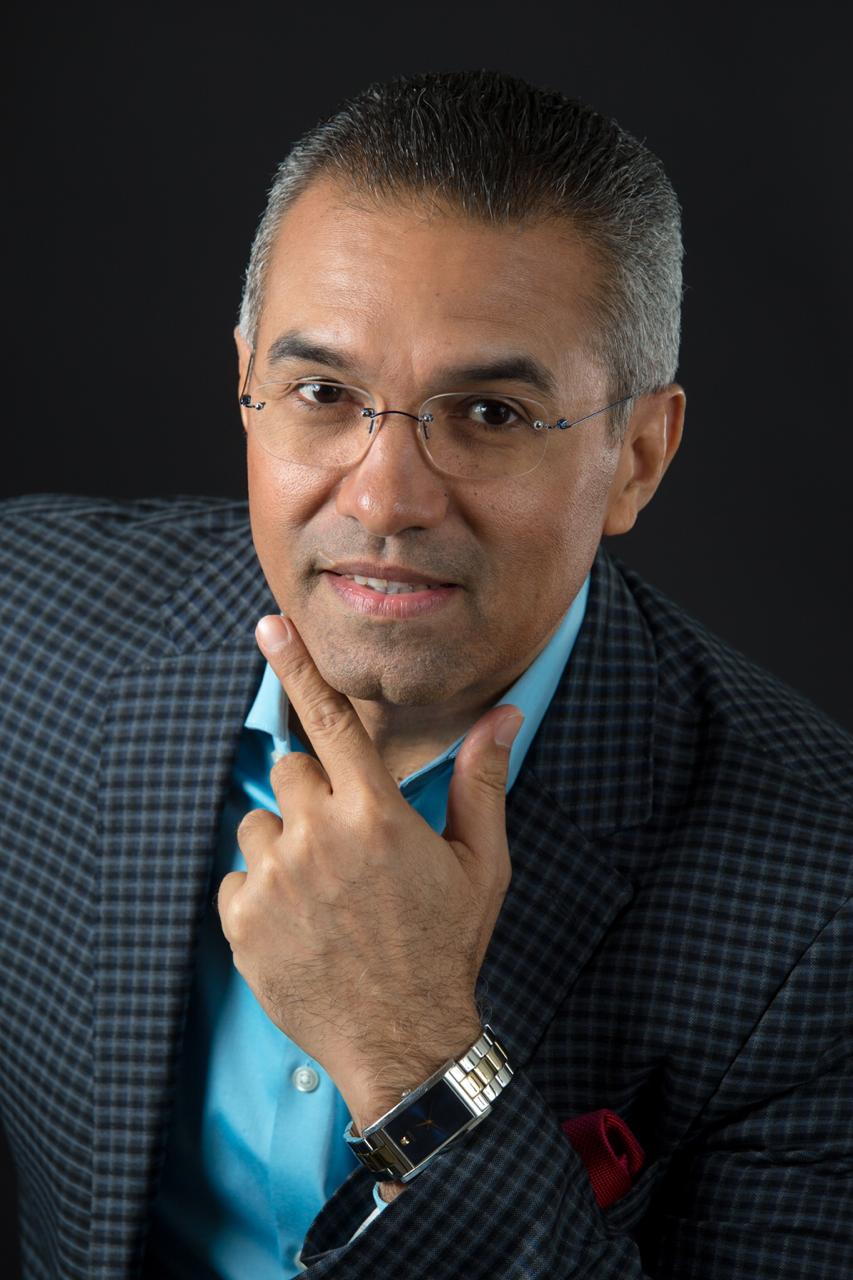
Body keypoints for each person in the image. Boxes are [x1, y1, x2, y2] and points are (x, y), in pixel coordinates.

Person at [1, 69, 850, 1280]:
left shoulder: (822, 900)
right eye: (324, 393)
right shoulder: (27, 627)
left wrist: (417, 1058)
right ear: (246, 388)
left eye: (490, 413)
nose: (384, 498)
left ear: (637, 456)